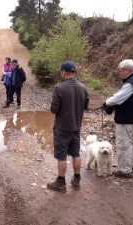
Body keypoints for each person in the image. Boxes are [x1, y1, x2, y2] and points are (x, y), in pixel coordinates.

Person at [47, 61, 89, 192]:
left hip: (62, 127)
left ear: (64, 72)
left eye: (61, 71)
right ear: (74, 73)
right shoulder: (83, 87)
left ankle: (60, 183)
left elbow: (54, 109)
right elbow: (86, 107)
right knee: (76, 153)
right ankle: (76, 180)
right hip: (76, 126)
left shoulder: (59, 88)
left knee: (61, 156)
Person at [102, 59, 133, 178]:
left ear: (127, 70)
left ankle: (125, 171)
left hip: (126, 119)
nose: (119, 72)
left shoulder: (131, 83)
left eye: (121, 70)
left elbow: (118, 98)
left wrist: (107, 102)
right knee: (132, 142)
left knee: (124, 144)